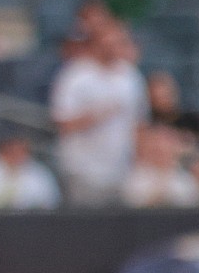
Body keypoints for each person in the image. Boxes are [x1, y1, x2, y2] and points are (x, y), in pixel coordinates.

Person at [50, 20, 144, 206]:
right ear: (96, 44)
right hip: (82, 169)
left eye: (118, 42)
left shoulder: (130, 76)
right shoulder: (76, 75)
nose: (113, 48)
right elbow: (62, 123)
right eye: (108, 43)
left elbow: (139, 124)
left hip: (120, 169)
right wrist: (97, 116)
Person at [0, 136, 60, 211]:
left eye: (21, 150)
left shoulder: (40, 173)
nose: (16, 155)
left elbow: (50, 201)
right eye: (12, 150)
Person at [121, 125, 199, 209]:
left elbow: (191, 203)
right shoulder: (135, 177)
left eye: (165, 148)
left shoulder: (184, 180)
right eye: (156, 148)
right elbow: (133, 201)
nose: (161, 152)